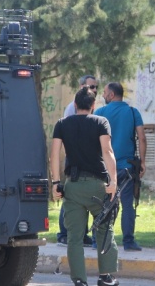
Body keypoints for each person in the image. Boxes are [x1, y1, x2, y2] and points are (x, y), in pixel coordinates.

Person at [50, 87, 119, 286]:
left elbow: (54, 155)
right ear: (93, 106)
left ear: (75, 105)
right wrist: (113, 182)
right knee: (105, 229)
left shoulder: (62, 124)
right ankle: (106, 277)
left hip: (72, 186)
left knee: (74, 237)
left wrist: (56, 183)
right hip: (98, 186)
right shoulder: (101, 122)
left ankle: (79, 280)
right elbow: (107, 151)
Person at [94, 82, 146, 251]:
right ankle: (129, 241)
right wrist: (143, 162)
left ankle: (97, 241)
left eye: (104, 93)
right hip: (127, 167)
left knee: (103, 203)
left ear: (111, 94)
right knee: (127, 204)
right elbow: (142, 138)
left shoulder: (100, 113)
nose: (102, 96)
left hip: (104, 167)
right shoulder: (133, 112)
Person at [57, 75, 99, 247]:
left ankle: (83, 234)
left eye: (96, 87)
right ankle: (64, 232)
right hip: (75, 159)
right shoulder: (70, 109)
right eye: (91, 86)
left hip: (89, 160)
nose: (94, 89)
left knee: (87, 198)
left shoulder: (94, 112)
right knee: (70, 196)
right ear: (81, 86)